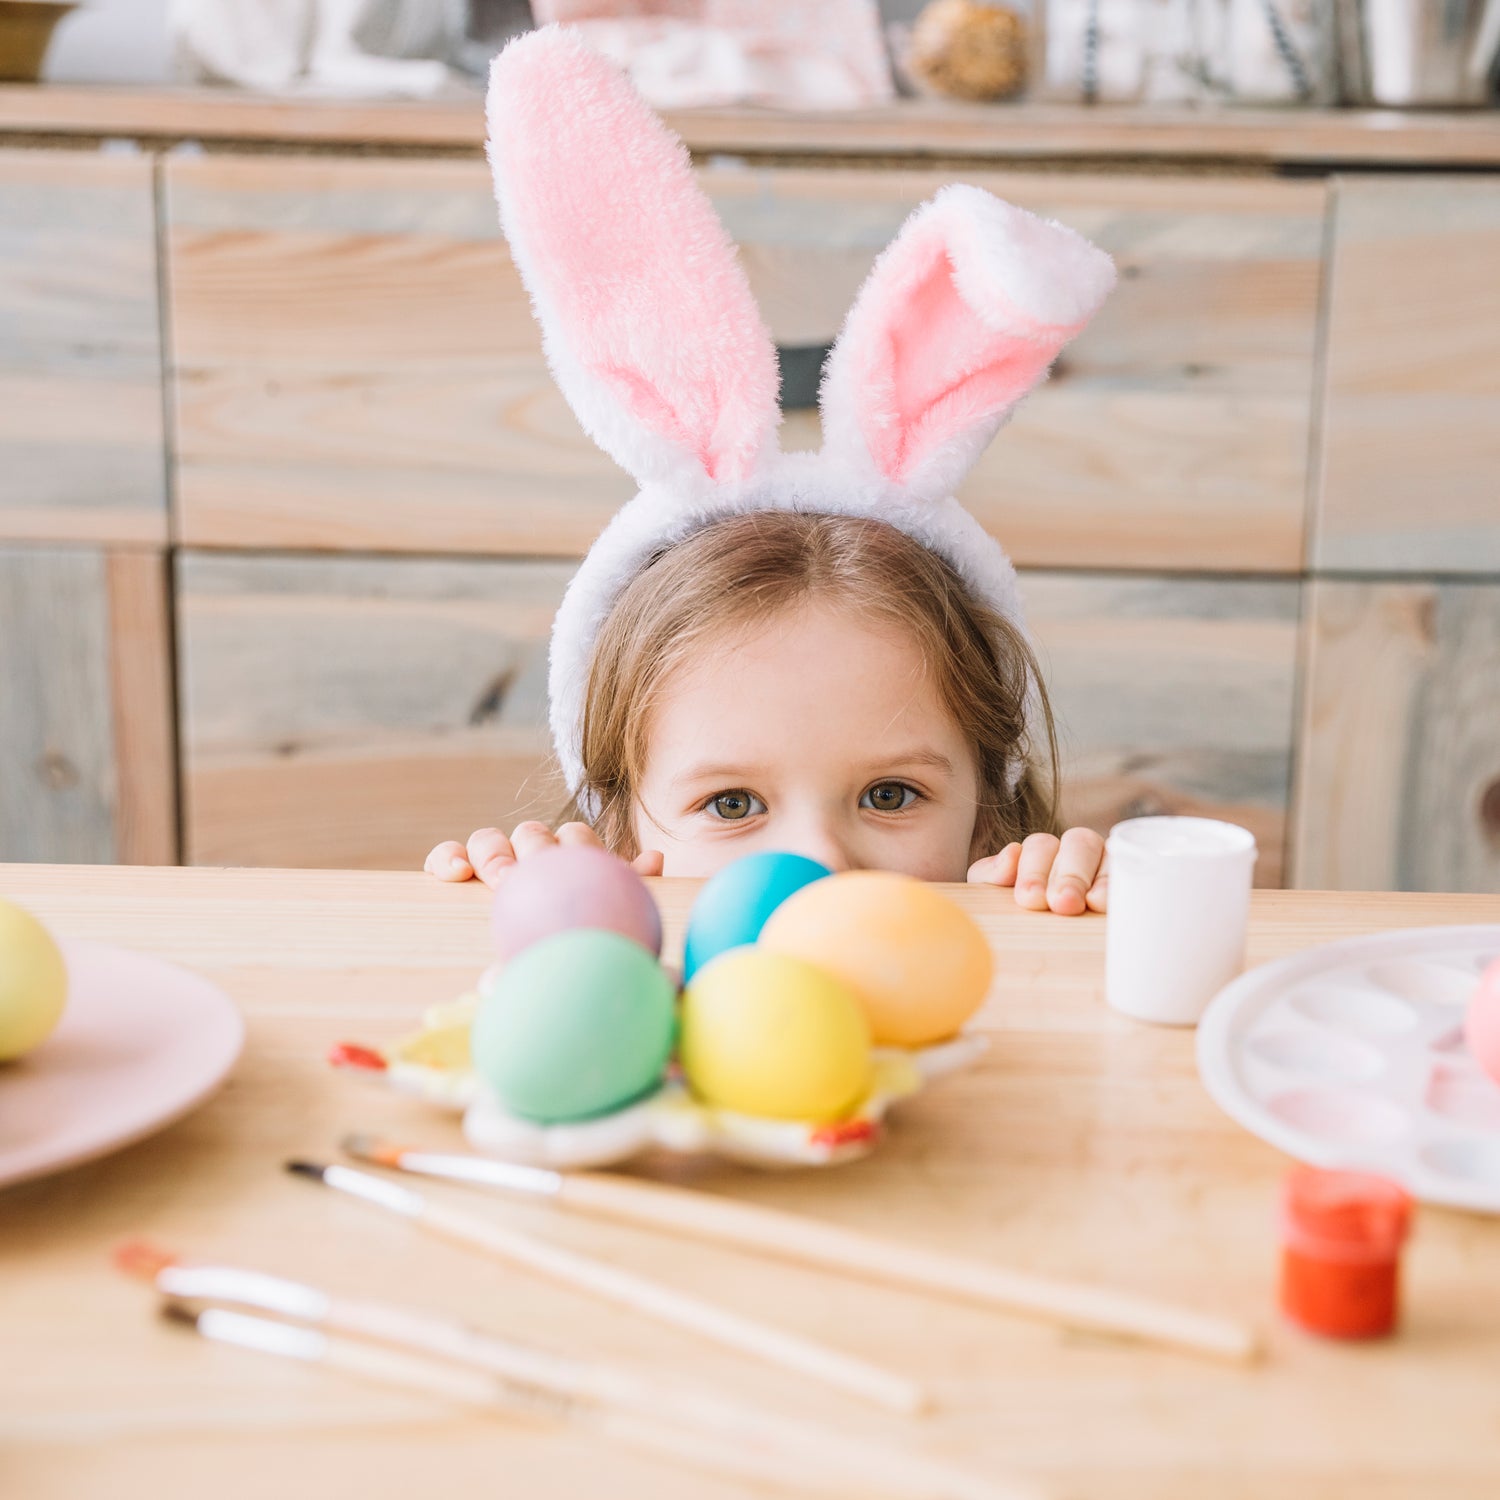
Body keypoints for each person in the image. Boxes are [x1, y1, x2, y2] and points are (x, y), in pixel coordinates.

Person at [424, 26, 1115, 915]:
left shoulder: (1017, 920)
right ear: (624, 830)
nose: (820, 864)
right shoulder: (617, 940)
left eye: (891, 795)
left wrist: (1084, 914)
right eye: (733, 804)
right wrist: (549, 915)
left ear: (988, 814)